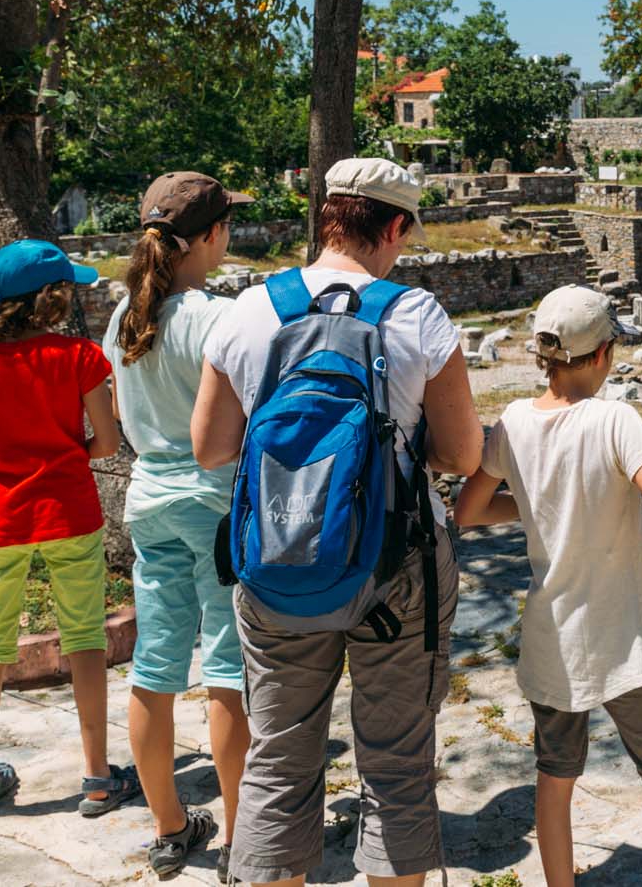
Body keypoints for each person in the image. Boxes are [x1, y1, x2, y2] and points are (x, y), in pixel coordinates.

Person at [192, 157, 484, 887]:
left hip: (276, 562)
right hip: (397, 566)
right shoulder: (417, 317)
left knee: (279, 756)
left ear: (326, 216)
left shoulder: (250, 309)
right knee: (396, 765)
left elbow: (211, 447)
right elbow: (459, 452)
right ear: (392, 225)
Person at [452, 286, 642, 887]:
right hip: (620, 642)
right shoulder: (615, 419)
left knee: (554, 778)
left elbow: (467, 511)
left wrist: (538, 506)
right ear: (601, 354)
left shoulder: (515, 422)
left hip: (552, 639)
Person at [0, 239, 139, 823]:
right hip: (69, 512)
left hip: (0, 519)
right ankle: (98, 777)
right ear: (51, 298)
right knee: (86, 641)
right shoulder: (80, 357)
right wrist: (67, 455)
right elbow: (109, 441)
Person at [103, 172, 254, 880]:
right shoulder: (214, 317)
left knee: (155, 667)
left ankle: (170, 824)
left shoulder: (124, 314)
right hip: (214, 502)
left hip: (150, 497)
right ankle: (242, 832)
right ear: (212, 235)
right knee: (228, 667)